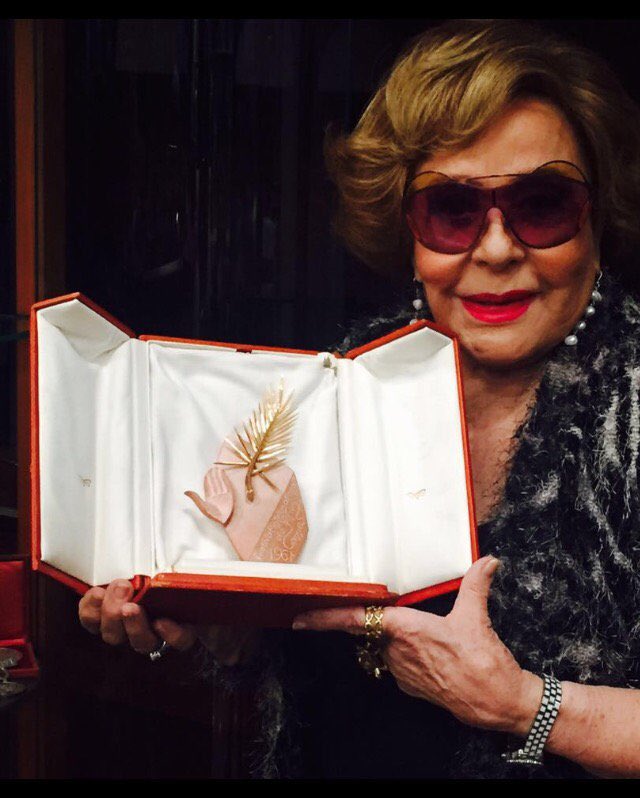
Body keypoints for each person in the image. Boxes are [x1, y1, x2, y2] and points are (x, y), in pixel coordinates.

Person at [79, 19, 640, 778]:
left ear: (597, 218)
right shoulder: (340, 384)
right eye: (452, 209)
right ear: (407, 229)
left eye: (543, 204)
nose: (498, 249)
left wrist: (521, 705)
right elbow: (297, 638)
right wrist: (213, 621)